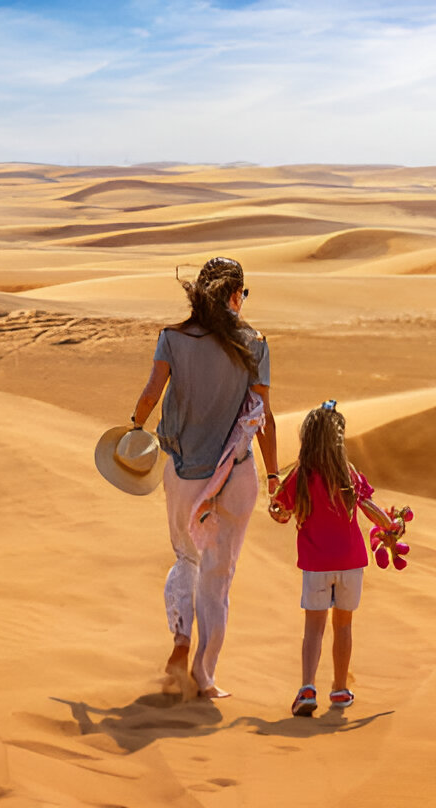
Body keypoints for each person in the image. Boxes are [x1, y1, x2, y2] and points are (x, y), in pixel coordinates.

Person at [130, 257, 279, 699]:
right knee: (219, 575)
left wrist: (132, 429)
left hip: (185, 473)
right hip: (235, 473)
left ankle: (181, 639)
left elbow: (150, 394)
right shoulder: (255, 344)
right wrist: (274, 476)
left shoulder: (172, 338)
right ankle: (204, 676)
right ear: (234, 295)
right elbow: (264, 417)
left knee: (186, 557)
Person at [268, 399, 402, 716]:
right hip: (350, 563)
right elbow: (370, 508)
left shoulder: (300, 475)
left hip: (316, 565)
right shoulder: (348, 474)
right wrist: (391, 525)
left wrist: (277, 506)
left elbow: (281, 512)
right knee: (343, 626)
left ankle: (307, 689)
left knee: (314, 628)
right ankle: (340, 690)